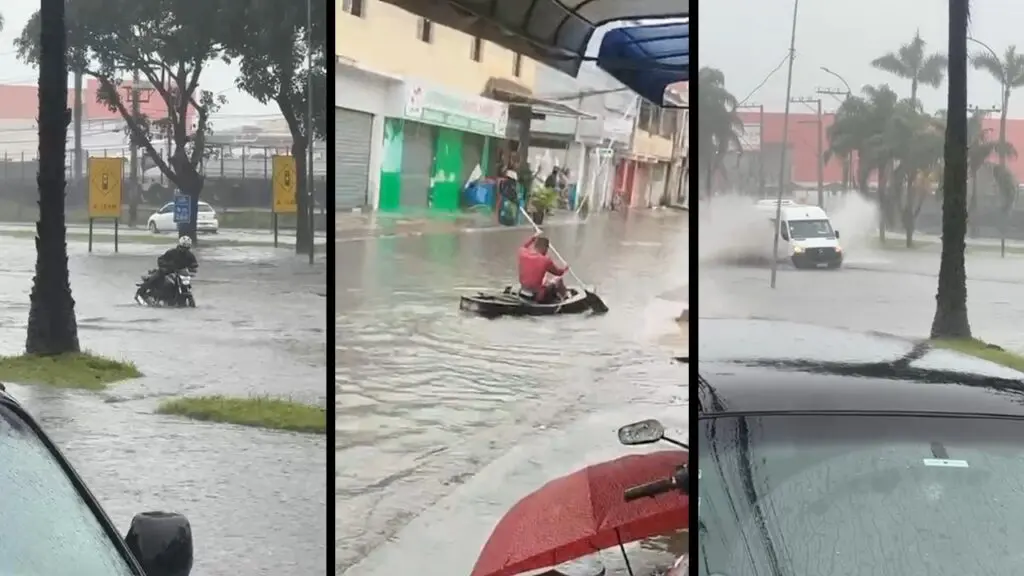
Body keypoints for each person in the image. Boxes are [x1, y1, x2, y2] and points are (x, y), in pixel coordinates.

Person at [517, 232, 568, 304]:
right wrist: (565, 268)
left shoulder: (522, 253)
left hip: (523, 290)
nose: (547, 252)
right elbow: (558, 273)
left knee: (545, 280)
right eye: (547, 249)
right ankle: (565, 299)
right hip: (538, 295)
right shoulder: (545, 260)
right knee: (558, 279)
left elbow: (524, 246)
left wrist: (533, 238)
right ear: (545, 248)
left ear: (535, 246)